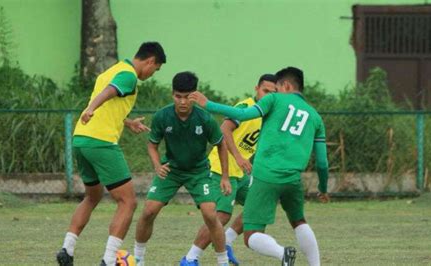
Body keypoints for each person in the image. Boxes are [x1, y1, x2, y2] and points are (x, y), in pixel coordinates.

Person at [188, 67, 329, 266]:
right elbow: (323, 163)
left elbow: (243, 114)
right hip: (293, 179)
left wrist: (208, 104)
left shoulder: (275, 100)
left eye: (278, 88)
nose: (275, 92)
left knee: (251, 235)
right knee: (299, 221)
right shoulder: (315, 117)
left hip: (265, 176)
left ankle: (283, 253)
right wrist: (323, 188)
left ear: (286, 85)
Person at [56, 42, 166, 266]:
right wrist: (90, 108)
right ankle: (108, 260)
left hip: (81, 139)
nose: (152, 74)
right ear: (151, 61)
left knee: (92, 196)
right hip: (101, 142)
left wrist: (127, 122)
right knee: (128, 202)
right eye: (155, 69)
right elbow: (109, 93)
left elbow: (109, 104)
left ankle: (67, 249)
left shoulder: (112, 70)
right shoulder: (129, 75)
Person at [133, 71, 232, 266]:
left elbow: (221, 145)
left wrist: (225, 177)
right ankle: (138, 258)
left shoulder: (205, 119)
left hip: (199, 172)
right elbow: (152, 145)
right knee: (148, 211)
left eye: (187, 97)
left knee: (211, 214)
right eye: (178, 96)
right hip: (171, 170)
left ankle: (223, 261)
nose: (183, 102)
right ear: (172, 95)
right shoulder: (163, 116)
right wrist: (157, 165)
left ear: (195, 95)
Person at [181, 74, 278, 265]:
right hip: (221, 167)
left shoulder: (266, 114)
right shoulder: (245, 107)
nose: (268, 96)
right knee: (222, 215)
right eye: (265, 91)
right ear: (256, 88)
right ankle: (190, 258)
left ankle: (228, 242)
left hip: (241, 173)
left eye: (273, 93)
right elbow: (224, 130)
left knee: (260, 203)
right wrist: (239, 157)